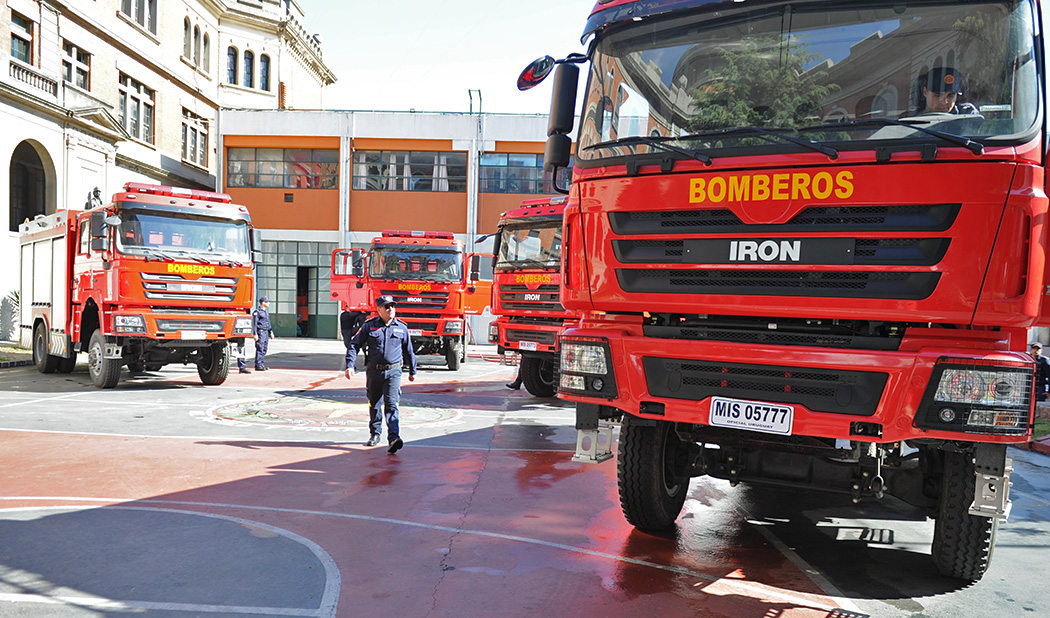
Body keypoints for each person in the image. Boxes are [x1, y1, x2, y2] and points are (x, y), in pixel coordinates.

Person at [345, 296, 417, 453]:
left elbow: (409, 350)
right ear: (379, 310)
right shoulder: (369, 327)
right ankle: (375, 434)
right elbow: (354, 344)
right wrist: (350, 365)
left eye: (392, 306)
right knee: (374, 404)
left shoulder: (402, 328)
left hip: (394, 371)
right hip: (374, 371)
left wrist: (413, 370)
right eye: (386, 307)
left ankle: (394, 438)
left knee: (392, 404)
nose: (390, 309)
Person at [915, 67, 980, 115]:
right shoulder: (911, 120)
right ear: (925, 92)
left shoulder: (967, 115)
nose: (944, 102)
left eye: (950, 96)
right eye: (938, 95)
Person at [252, 297, 275, 371]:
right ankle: (258, 365)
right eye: (267, 302)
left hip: (265, 332)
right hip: (260, 332)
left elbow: (268, 322)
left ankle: (261, 364)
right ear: (263, 303)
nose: (269, 303)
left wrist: (271, 332)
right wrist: (255, 334)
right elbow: (254, 324)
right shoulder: (257, 312)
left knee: (264, 349)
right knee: (260, 348)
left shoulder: (266, 312)